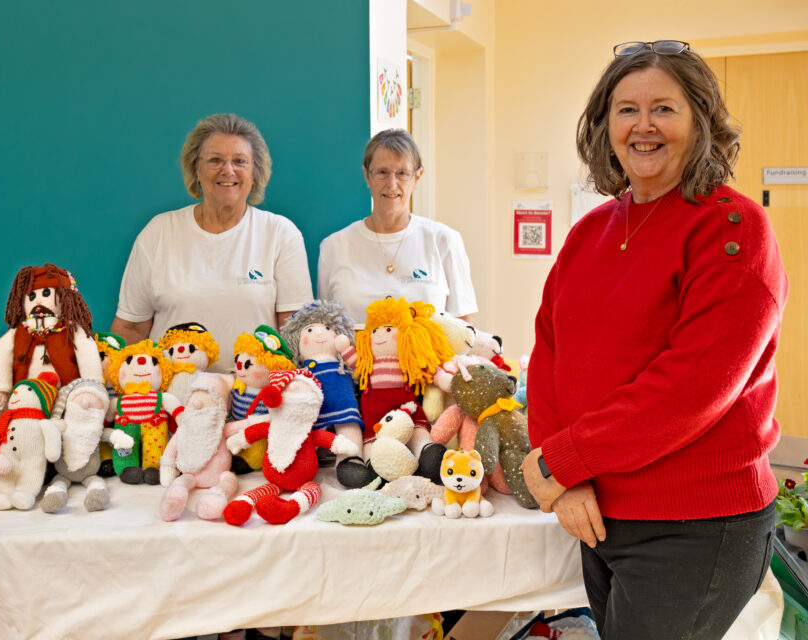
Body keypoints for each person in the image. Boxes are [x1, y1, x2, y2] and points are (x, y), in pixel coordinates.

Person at [521, 40, 787, 639]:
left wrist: (561, 459)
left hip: (695, 525)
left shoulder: (733, 227)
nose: (643, 126)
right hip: (599, 514)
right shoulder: (592, 229)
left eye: (664, 108)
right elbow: (550, 352)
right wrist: (566, 475)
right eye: (625, 110)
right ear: (604, 126)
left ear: (700, 122)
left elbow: (692, 386)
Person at [112, 113, 313, 371]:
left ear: (255, 173)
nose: (227, 170)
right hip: (172, 399)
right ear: (196, 169)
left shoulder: (281, 233)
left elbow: (295, 332)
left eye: (240, 161)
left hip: (256, 399)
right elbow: (131, 327)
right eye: (215, 160)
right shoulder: (158, 232)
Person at [317, 129, 477, 323]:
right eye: (382, 172)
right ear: (366, 176)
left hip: (428, 354)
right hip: (354, 354)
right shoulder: (334, 246)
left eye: (402, 173)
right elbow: (325, 328)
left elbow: (464, 329)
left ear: (417, 177)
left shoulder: (444, 240)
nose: (392, 184)